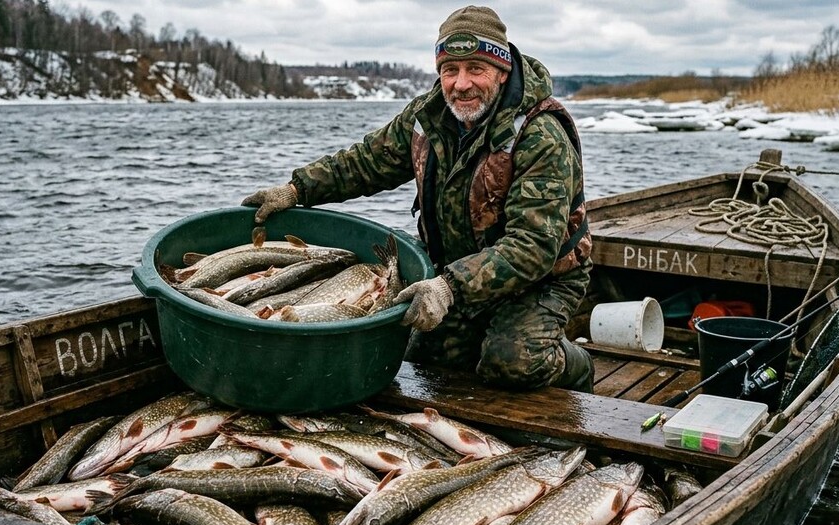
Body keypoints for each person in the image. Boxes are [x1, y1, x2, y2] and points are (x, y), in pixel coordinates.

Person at [241, 5, 594, 392]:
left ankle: (578, 365)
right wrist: (297, 189)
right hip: (460, 272)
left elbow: (533, 248)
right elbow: (367, 161)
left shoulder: (540, 136)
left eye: (475, 69)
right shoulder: (428, 117)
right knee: (419, 357)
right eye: (450, 70)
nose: (461, 84)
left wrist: (448, 287)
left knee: (511, 363)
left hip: (542, 280)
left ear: (502, 69)